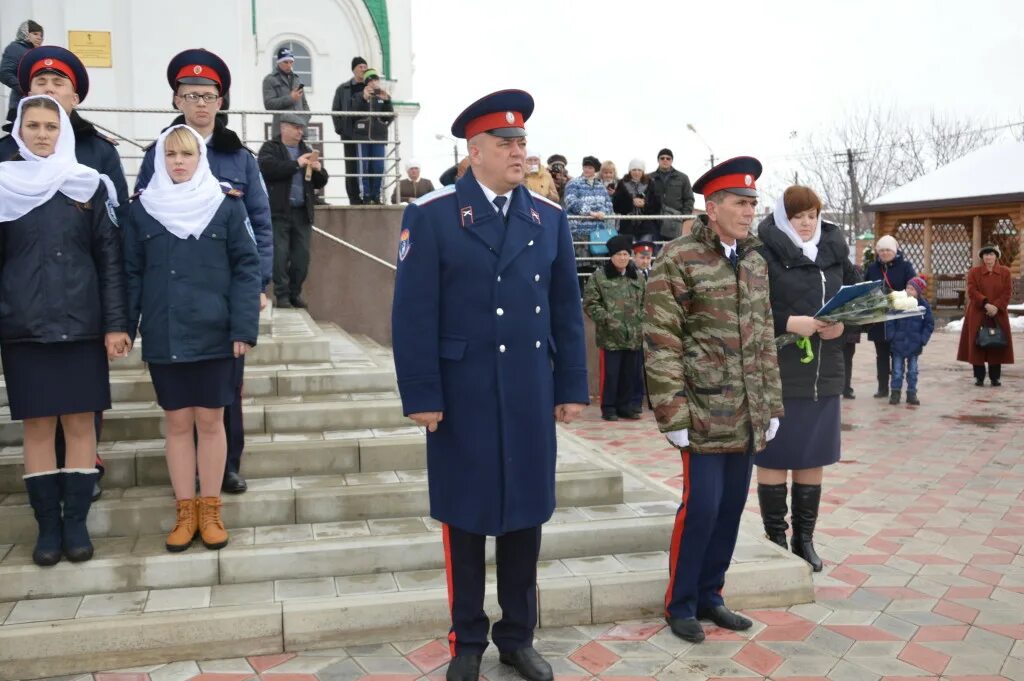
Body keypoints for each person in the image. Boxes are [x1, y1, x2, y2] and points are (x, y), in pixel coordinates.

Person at [391, 89, 588, 681]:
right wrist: (422, 395)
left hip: (528, 389)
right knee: (467, 519)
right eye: (505, 143)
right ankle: (468, 640)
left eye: (522, 141)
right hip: (463, 393)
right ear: (474, 152)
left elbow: (565, 309)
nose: (518, 152)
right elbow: (413, 313)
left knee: (526, 517)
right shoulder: (432, 214)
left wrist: (570, 385)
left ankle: (517, 636)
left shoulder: (547, 218)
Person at [644, 156, 783, 643]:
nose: (749, 212)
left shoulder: (754, 260)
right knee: (701, 506)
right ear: (713, 206)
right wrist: (671, 412)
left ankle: (711, 595)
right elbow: (662, 338)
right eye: (741, 203)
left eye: (752, 203)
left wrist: (771, 407)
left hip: (746, 412)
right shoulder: (678, 258)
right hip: (701, 410)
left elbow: (763, 337)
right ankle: (680, 603)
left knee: (729, 509)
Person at [135, 49, 274, 495]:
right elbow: (144, 215)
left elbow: (260, 224)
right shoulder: (159, 153)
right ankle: (187, 471)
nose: (199, 103)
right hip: (175, 296)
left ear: (220, 101)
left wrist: (260, 285)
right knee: (181, 398)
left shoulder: (240, 158)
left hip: (225, 292)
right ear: (177, 100)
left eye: (208, 95)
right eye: (190, 94)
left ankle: (226, 465)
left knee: (226, 387)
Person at [0, 95, 129, 566]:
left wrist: (116, 323)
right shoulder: (3, 185)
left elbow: (110, 261)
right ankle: (47, 529)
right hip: (24, 329)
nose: (40, 134)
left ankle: (75, 524)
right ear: (19, 131)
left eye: (49, 126)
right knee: (36, 429)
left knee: (79, 425)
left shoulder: (87, 185)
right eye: (31, 125)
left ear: (63, 131)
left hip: (81, 327)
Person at [124, 124, 261, 552]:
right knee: (178, 424)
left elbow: (246, 266)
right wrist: (125, 327)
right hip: (166, 335)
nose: (179, 162)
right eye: (171, 156)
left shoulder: (224, 206)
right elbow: (130, 273)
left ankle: (211, 509)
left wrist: (242, 328)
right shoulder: (143, 210)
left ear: (201, 158)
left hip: (216, 334)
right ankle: (186, 510)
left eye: (187, 155)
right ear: (160, 162)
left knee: (211, 422)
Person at [755, 185, 850, 573]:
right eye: (798, 216)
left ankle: (804, 539)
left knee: (813, 456)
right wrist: (789, 323)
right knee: (775, 455)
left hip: (824, 373)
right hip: (778, 371)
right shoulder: (763, 254)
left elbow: (856, 301)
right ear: (783, 219)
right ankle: (775, 537)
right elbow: (748, 308)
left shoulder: (835, 252)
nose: (807, 222)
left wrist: (842, 326)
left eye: (811, 214)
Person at [257, 113, 328, 308]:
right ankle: (282, 296)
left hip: (302, 212)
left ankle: (295, 293)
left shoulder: (306, 149)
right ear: (283, 127)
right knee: (279, 256)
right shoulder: (271, 148)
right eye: (296, 127)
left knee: (301, 258)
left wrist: (318, 169)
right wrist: (296, 164)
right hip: (278, 211)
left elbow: (320, 181)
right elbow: (267, 168)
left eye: (302, 128)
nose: (300, 131)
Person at [583, 234, 644, 422]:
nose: (623, 258)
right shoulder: (599, 277)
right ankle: (608, 407)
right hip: (611, 336)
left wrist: (642, 322)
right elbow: (591, 303)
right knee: (611, 374)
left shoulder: (638, 277)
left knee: (629, 373)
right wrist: (608, 320)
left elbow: (646, 302)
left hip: (633, 335)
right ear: (611, 256)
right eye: (619, 254)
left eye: (626, 254)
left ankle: (625, 406)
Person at [864, 234, 916, 398]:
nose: (885, 253)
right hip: (879, 318)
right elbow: (865, 288)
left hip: (899, 318)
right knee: (882, 355)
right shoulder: (872, 268)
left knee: (898, 355)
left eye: (888, 250)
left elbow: (912, 288)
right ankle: (882, 388)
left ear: (895, 251)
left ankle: (896, 388)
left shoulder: (906, 267)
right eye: (882, 250)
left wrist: (895, 297)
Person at [957, 243, 1014, 386]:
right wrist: (985, 303)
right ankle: (979, 377)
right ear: (982, 257)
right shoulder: (974, 272)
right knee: (977, 343)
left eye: (992, 254)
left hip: (998, 313)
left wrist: (996, 306)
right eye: (986, 254)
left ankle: (995, 377)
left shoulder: (1005, 272)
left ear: (996, 256)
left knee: (996, 342)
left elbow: (1007, 292)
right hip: (978, 311)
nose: (989, 257)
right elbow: (972, 290)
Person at [887, 276, 934, 405]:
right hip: (898, 343)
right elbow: (890, 320)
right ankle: (895, 393)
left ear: (918, 291)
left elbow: (929, 324)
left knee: (913, 371)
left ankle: (911, 393)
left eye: (912, 289)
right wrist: (891, 336)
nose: (909, 291)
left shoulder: (923, 306)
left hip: (914, 344)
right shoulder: (898, 304)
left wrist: (922, 339)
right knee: (896, 371)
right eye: (908, 287)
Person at [563, 155, 613, 277]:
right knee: (581, 266)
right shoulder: (574, 183)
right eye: (585, 166)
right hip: (580, 232)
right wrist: (590, 213)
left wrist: (604, 213)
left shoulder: (600, 185)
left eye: (590, 167)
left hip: (598, 233)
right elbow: (570, 200)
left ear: (595, 169)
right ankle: (579, 294)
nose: (587, 170)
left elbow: (608, 204)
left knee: (597, 266)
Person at [350, 68, 393, 204]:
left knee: (379, 167)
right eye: (370, 80)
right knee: (365, 166)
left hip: (379, 136)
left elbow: (390, 117)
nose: (373, 83)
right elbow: (353, 112)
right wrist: (364, 98)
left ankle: (376, 195)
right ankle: (366, 195)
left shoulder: (382, 96)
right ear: (366, 82)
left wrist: (387, 101)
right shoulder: (358, 95)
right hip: (363, 136)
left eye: (375, 79)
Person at [331, 57, 369, 205]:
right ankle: (354, 198)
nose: (363, 69)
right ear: (354, 69)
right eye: (360, 66)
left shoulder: (371, 87)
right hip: (350, 134)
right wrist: (341, 129)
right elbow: (336, 110)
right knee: (352, 167)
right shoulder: (343, 89)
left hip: (368, 135)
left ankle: (368, 196)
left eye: (365, 66)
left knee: (367, 166)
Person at [0, 20, 42, 120]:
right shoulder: (16, 48)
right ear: (25, 33)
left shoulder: (36, 52)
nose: (39, 38)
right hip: (20, 105)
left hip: (35, 104)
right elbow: (5, 73)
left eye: (41, 35)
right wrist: (25, 89)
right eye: (35, 34)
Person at [649, 148, 694, 240]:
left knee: (673, 250)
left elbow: (689, 199)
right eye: (662, 158)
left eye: (668, 158)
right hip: (654, 220)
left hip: (675, 221)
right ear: (658, 160)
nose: (665, 160)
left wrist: (683, 217)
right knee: (655, 250)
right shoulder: (649, 178)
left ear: (672, 160)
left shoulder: (682, 178)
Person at [612, 158, 662, 240]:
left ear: (643, 171)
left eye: (639, 170)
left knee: (645, 251)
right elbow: (616, 206)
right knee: (629, 251)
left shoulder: (651, 183)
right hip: (627, 227)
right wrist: (631, 202)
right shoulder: (622, 183)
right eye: (634, 170)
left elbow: (657, 205)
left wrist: (645, 204)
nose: (636, 172)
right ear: (629, 171)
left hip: (646, 226)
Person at [261, 47, 309, 130]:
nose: (289, 65)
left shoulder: (297, 79)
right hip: (281, 131)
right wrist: (290, 98)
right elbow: (269, 104)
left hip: (300, 130)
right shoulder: (269, 79)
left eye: (291, 62)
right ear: (279, 62)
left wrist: (304, 120)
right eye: (285, 62)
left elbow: (304, 104)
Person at [841, 260, 863, 399]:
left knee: (847, 358)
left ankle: (846, 387)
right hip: (839, 324)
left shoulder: (855, 272)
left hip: (851, 326)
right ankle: (843, 387)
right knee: (840, 359)